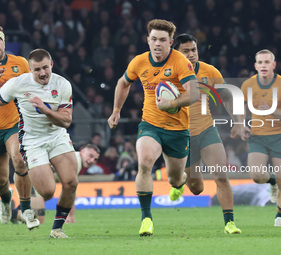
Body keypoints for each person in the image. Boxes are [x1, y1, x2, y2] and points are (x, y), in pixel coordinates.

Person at [108, 19, 199, 236]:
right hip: (151, 124)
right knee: (145, 162)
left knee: (175, 178)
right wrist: (116, 110)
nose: (158, 44)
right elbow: (123, 83)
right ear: (148, 40)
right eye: (154, 39)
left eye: (163, 40)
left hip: (178, 129)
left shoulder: (180, 61)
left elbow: (194, 93)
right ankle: (146, 218)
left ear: (170, 42)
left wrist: (171, 104)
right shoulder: (139, 62)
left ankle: (179, 184)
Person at [172, 34, 247, 234]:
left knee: (221, 176)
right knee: (196, 189)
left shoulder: (209, 71)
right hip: (182, 136)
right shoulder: (168, 74)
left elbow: (228, 97)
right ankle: (180, 178)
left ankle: (229, 223)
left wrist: (239, 121)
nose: (191, 54)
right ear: (176, 53)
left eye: (193, 50)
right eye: (185, 51)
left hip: (207, 130)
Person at [0, 48, 78, 238]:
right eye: (37, 70)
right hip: (32, 141)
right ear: (30, 69)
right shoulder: (17, 84)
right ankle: (41, 171)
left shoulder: (62, 84)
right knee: (47, 192)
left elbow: (66, 121)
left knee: (71, 182)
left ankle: (57, 229)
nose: (42, 73)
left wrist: (46, 110)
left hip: (57, 136)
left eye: (45, 68)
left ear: (51, 64)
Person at [240, 49, 281, 227]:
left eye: (267, 62)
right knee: (256, 176)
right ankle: (270, 181)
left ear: (273, 65)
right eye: (260, 62)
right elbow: (239, 108)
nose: (263, 65)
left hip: (280, 136)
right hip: (258, 136)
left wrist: (272, 111)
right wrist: (241, 124)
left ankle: (280, 216)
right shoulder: (248, 85)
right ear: (255, 66)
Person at [0, 26, 39, 230]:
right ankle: (6, 202)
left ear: (4, 42)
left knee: (19, 160)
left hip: (12, 125)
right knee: (1, 180)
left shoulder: (19, 63)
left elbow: (33, 86)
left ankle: (26, 210)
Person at [12, 144, 100, 224]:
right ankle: (9, 213)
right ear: (82, 151)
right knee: (38, 219)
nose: (92, 160)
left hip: (32, 179)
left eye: (95, 159)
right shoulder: (75, 161)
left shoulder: (74, 158)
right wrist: (68, 216)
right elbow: (68, 192)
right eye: (90, 156)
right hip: (31, 180)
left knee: (36, 209)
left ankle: (13, 213)